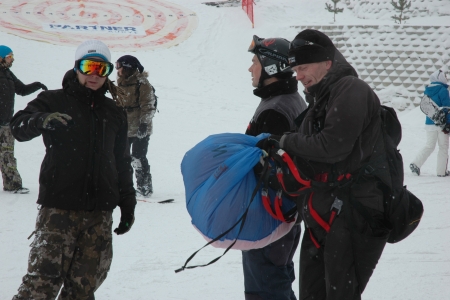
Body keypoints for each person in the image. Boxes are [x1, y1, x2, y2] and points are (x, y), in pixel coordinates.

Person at [257, 29, 389, 299]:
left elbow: (333, 147)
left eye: (303, 67)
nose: (299, 75)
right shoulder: (320, 99)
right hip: (325, 215)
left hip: (356, 214)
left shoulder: (351, 89)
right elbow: (310, 155)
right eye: (295, 69)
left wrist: (285, 141)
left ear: (327, 63)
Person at [10, 39, 136, 299]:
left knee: (83, 288)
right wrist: (41, 120)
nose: (94, 75)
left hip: (99, 216)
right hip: (59, 211)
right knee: (40, 285)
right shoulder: (53, 99)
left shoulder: (113, 112)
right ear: (77, 67)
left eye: (101, 69)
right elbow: (17, 127)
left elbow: (122, 161)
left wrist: (128, 202)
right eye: (88, 66)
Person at [243, 35, 307, 300]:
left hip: (269, 219)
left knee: (266, 290)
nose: (250, 68)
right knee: (275, 284)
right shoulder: (287, 99)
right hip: (283, 219)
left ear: (271, 67)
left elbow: (271, 173)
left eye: (255, 62)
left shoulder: (275, 110)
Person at [0, 45, 47, 194]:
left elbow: (22, 89)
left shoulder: (8, 74)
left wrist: (37, 85)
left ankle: (13, 184)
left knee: (7, 154)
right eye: (9, 56)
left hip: (6, 123)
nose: (12, 59)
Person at [116, 55, 156, 197]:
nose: (117, 69)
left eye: (119, 66)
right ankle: (123, 185)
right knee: (122, 157)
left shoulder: (142, 83)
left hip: (140, 127)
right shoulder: (120, 82)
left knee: (138, 156)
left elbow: (149, 105)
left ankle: (145, 187)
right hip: (125, 127)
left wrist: (144, 124)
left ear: (127, 67)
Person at [410, 70, 450, 177]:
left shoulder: (427, 90)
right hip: (442, 124)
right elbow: (447, 108)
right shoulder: (443, 90)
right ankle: (441, 172)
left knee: (429, 145)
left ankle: (415, 163)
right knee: (443, 147)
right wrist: (448, 124)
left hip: (429, 123)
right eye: (444, 76)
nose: (446, 78)